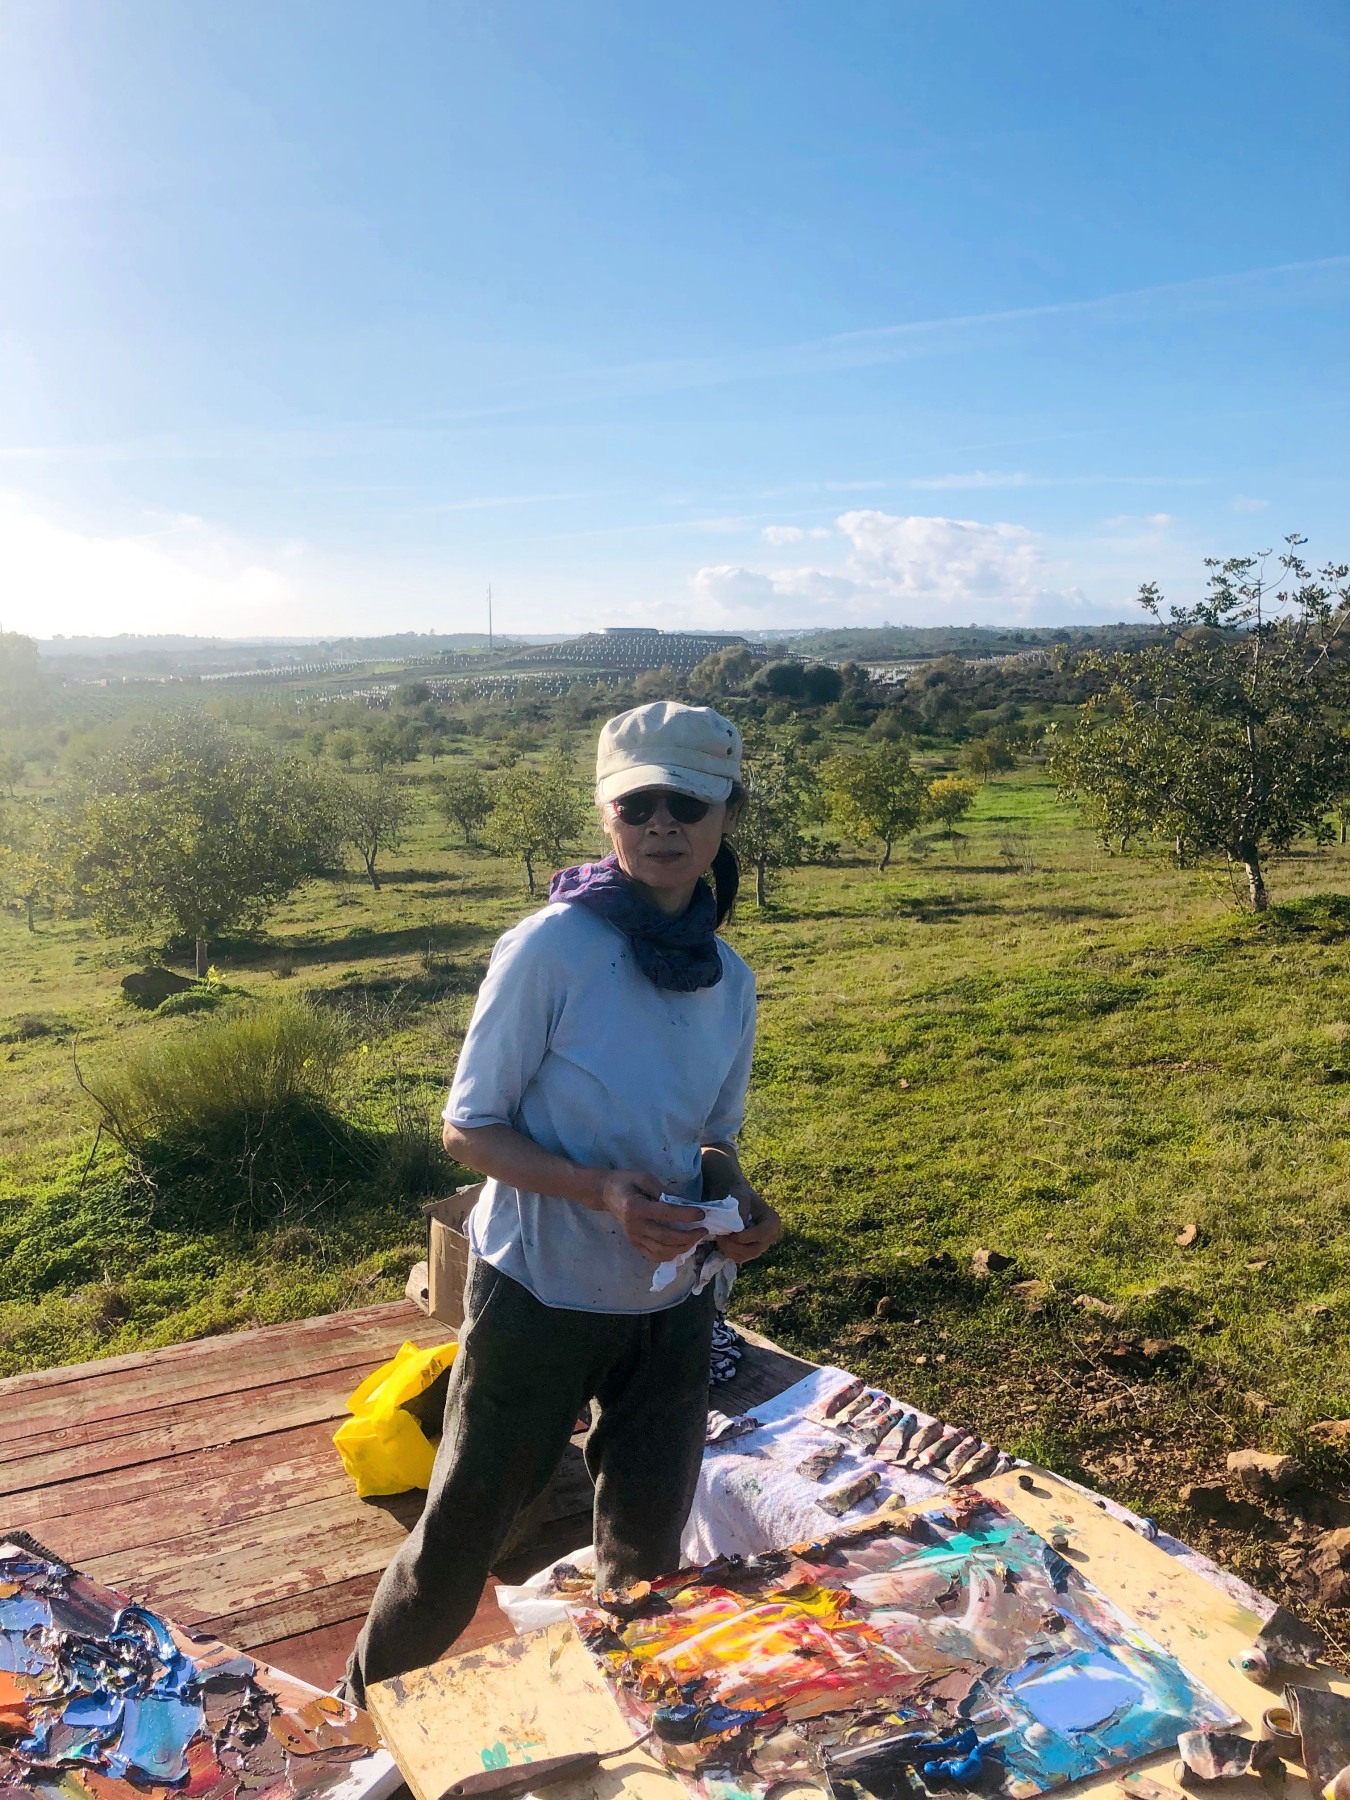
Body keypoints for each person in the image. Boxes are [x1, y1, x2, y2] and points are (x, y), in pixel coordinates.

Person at [343, 699, 780, 1701]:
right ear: (606, 817)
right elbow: (467, 1129)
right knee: (459, 1539)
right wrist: (600, 1193)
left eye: (687, 803)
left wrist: (745, 1207)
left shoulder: (729, 978)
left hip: (671, 1301)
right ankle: (357, 1719)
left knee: (647, 1547)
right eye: (638, 807)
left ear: (726, 817)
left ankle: (636, 1724)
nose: (661, 826)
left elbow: (712, 1137)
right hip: (538, 1292)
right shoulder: (552, 950)